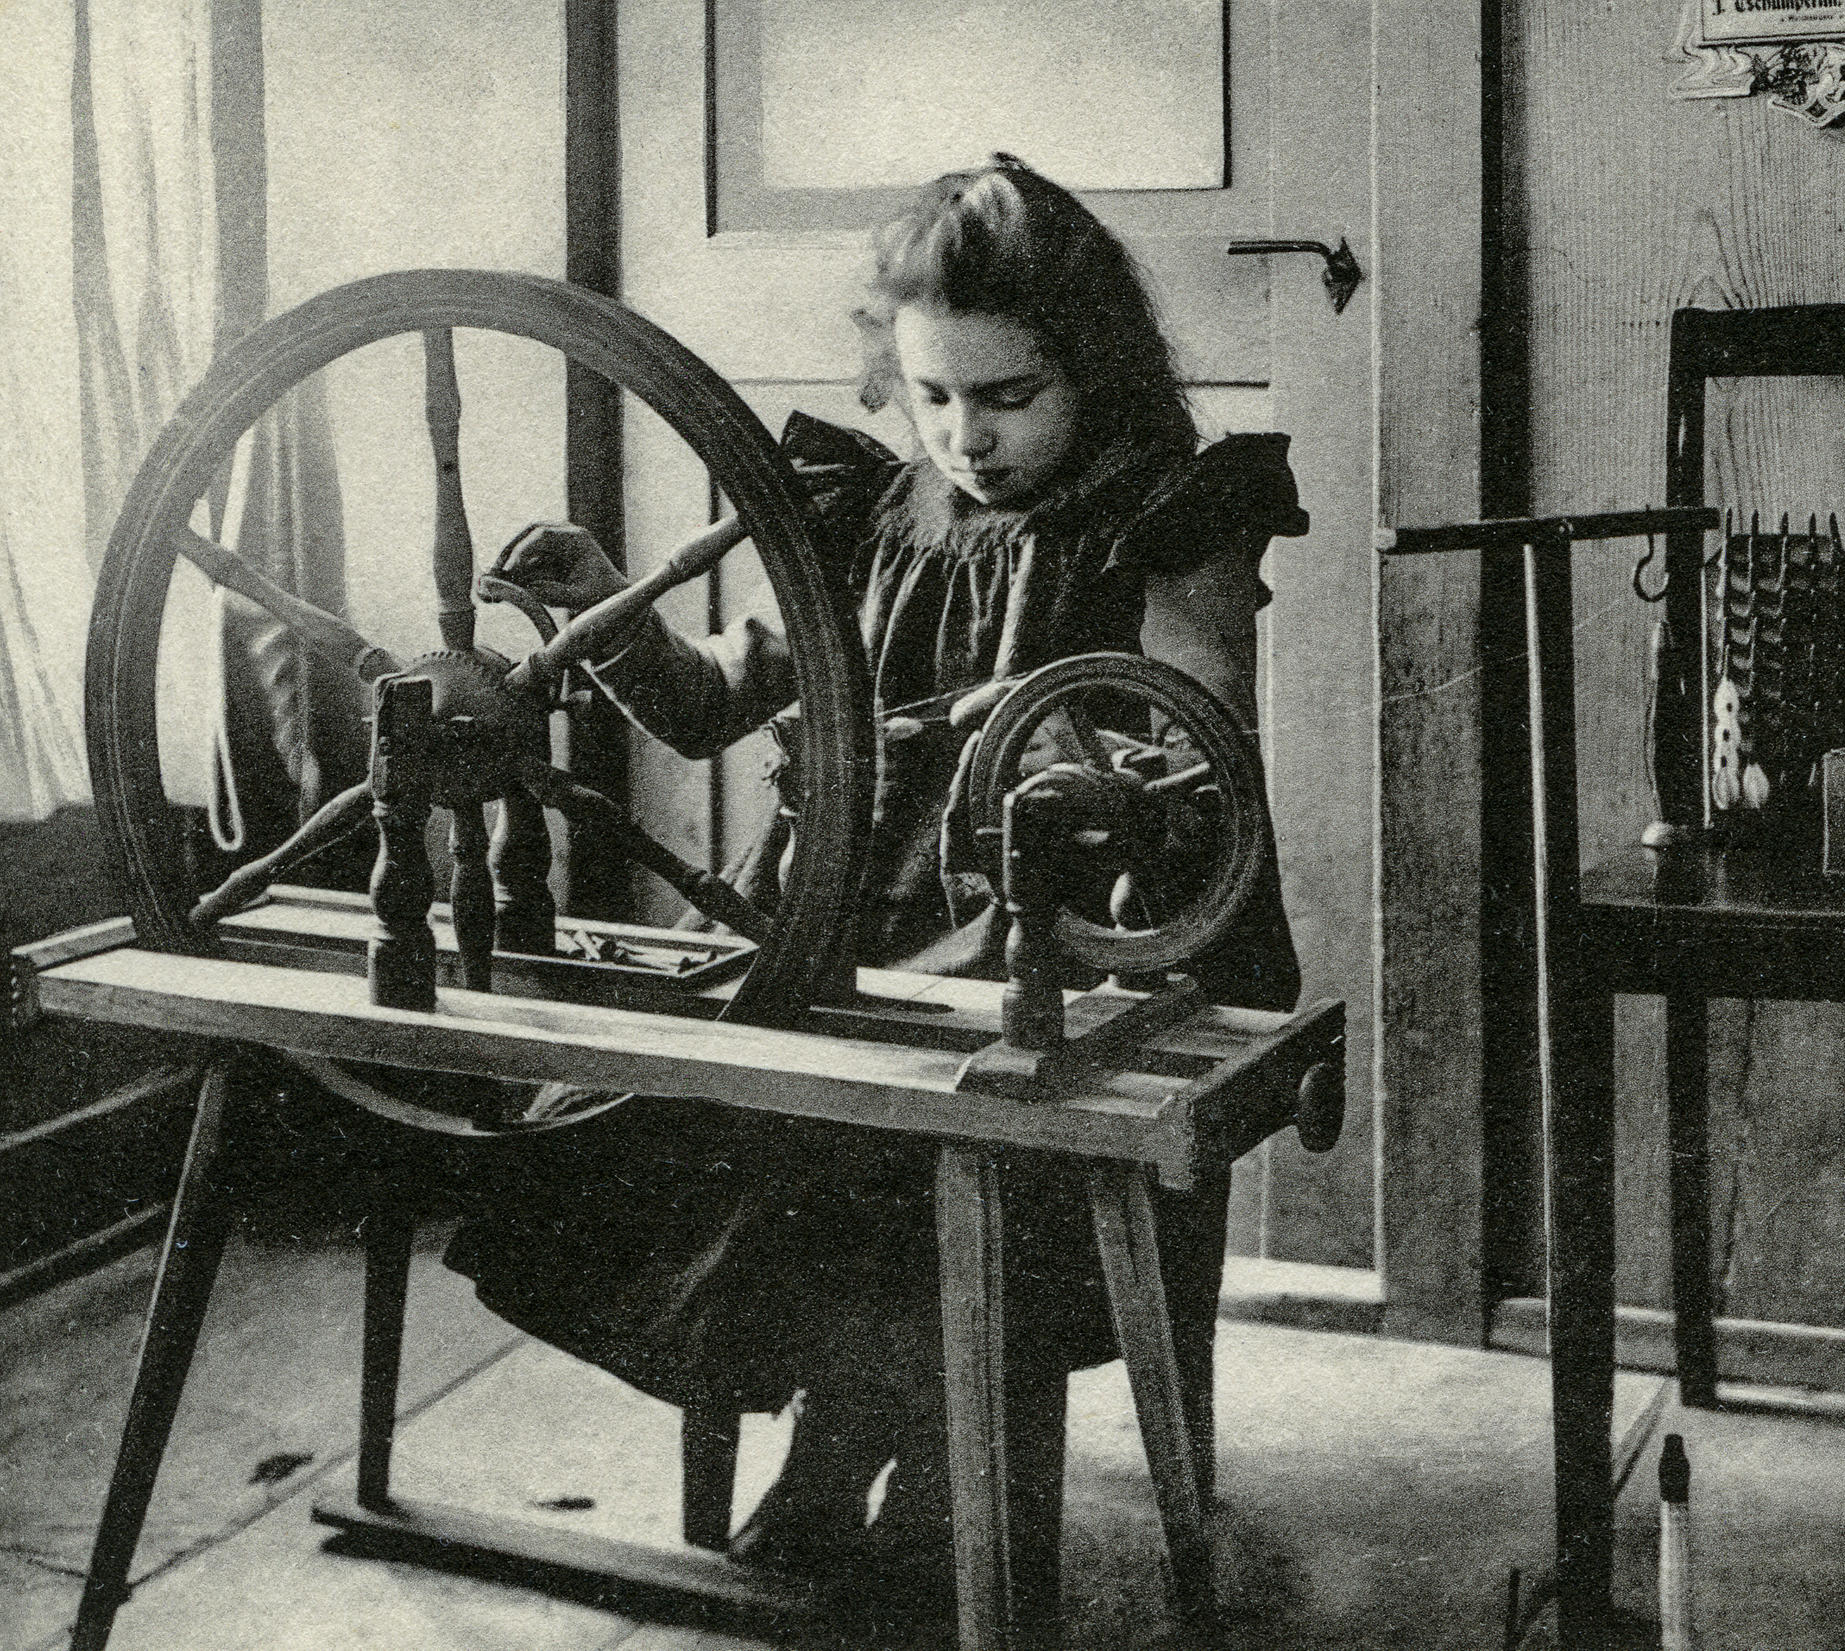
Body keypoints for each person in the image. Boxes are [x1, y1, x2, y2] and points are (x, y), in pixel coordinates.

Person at [442, 153, 1306, 1610]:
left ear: (1092, 370)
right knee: (717, 1109)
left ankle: (891, 1458)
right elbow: (718, 700)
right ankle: (866, 1437)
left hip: (1076, 942)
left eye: (1009, 397)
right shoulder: (867, 510)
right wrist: (605, 612)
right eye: (935, 395)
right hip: (852, 930)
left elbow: (1200, 756)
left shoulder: (1170, 511)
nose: (967, 435)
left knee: (935, 1138)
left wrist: (1044, 740)